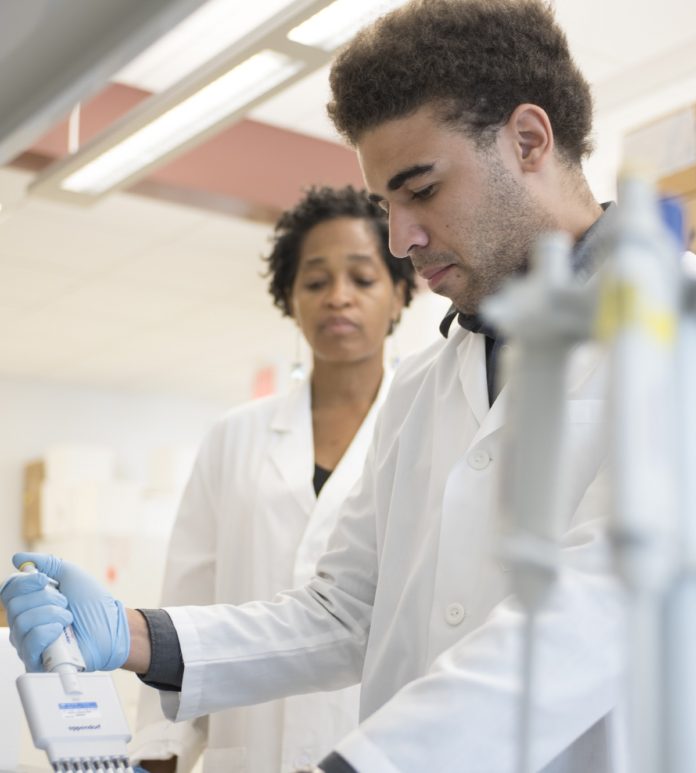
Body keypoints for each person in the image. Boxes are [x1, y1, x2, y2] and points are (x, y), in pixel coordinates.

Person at [2, 2, 626, 771]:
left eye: (421, 190)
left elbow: (603, 612)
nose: (401, 238)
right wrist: (134, 634)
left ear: (529, 140)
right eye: (389, 206)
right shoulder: (427, 384)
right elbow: (346, 609)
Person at [133, 185, 417, 773]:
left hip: (375, 745)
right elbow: (189, 597)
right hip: (250, 747)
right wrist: (162, 751)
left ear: (399, 295)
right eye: (315, 282)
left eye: (362, 279)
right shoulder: (234, 437)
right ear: (290, 299)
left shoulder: (424, 425)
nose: (338, 298)